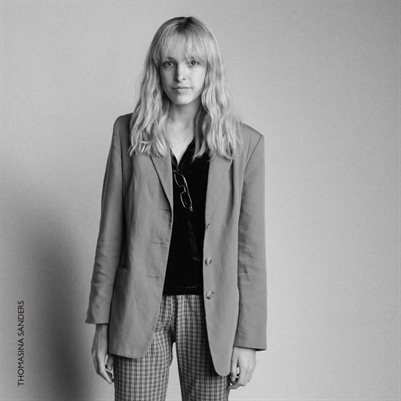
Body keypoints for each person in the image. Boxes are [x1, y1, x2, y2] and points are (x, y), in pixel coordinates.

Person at [85, 16, 267, 401]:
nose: (180, 75)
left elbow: (250, 251)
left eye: (193, 63)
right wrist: (102, 323)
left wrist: (247, 339)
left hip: (211, 314)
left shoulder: (244, 145)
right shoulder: (129, 133)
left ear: (210, 69)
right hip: (138, 309)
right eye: (169, 63)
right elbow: (110, 235)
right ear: (157, 69)